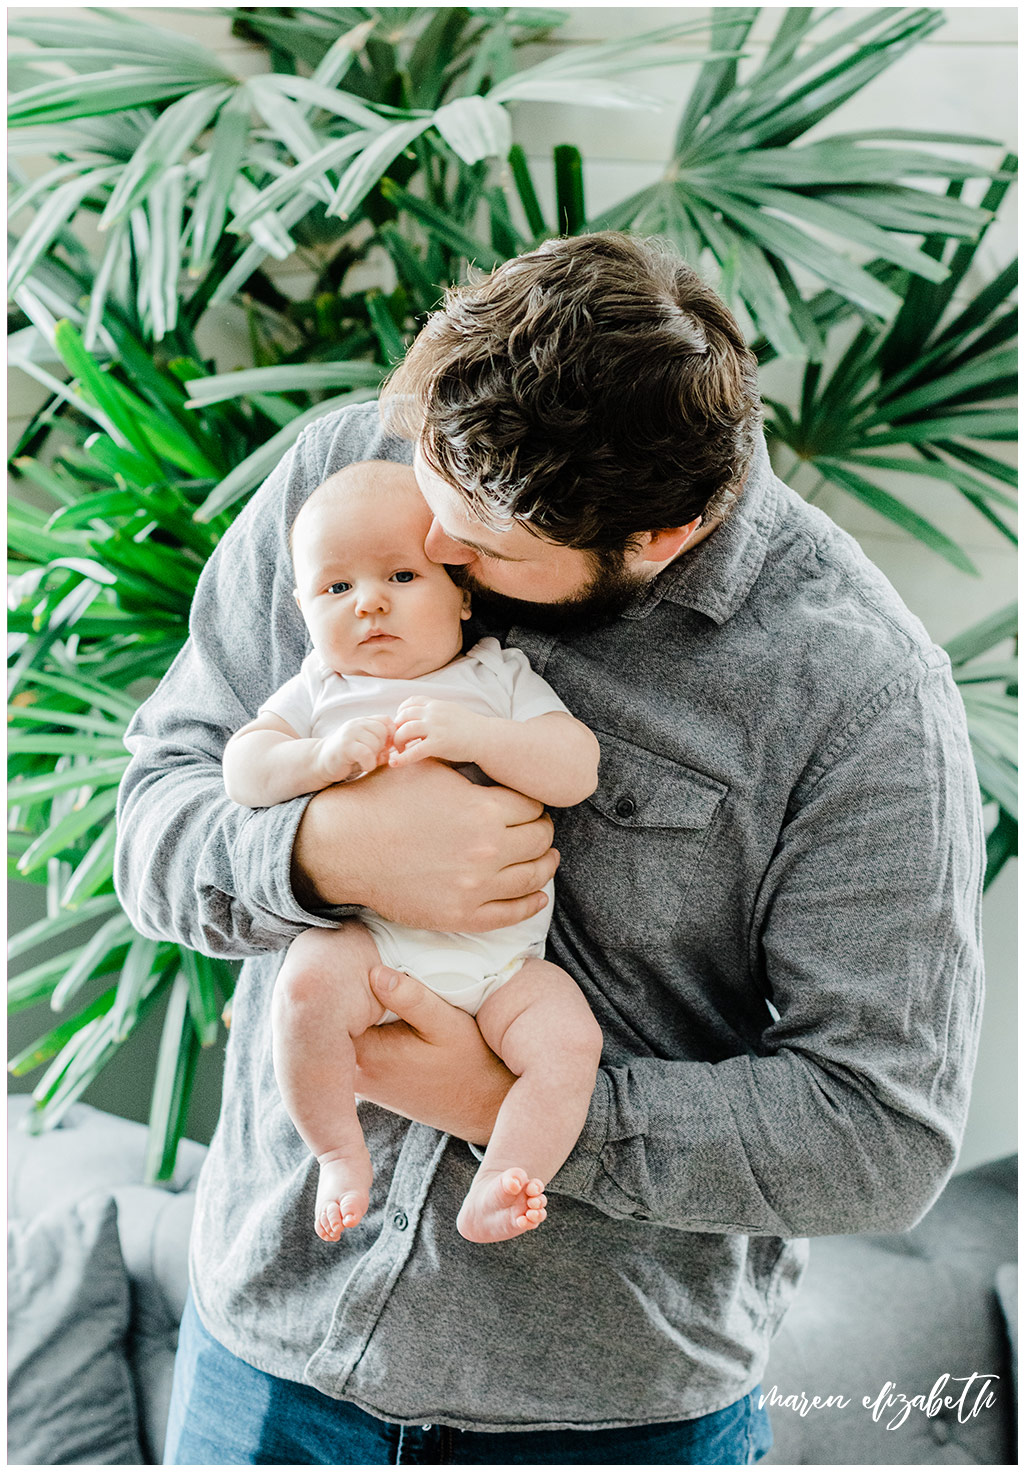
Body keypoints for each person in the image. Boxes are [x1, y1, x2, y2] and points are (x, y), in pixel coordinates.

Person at [115, 232, 983, 1466]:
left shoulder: (857, 691)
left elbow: (879, 1131)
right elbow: (152, 811)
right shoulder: (352, 480)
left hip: (600, 1423)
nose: (434, 549)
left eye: (483, 548)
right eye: (431, 484)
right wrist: (325, 851)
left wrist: (499, 1102)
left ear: (663, 534)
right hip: (263, 1356)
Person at [222, 460, 602, 1245]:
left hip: (504, 967)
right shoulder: (320, 690)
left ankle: (505, 1179)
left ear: (464, 591)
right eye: (336, 590)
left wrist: (480, 738)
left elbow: (574, 768)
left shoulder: (496, 676)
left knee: (568, 1043)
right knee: (303, 995)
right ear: (301, 609)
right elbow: (244, 769)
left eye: (402, 574)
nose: (370, 603)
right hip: (372, 948)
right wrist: (319, 762)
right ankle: (336, 1150)